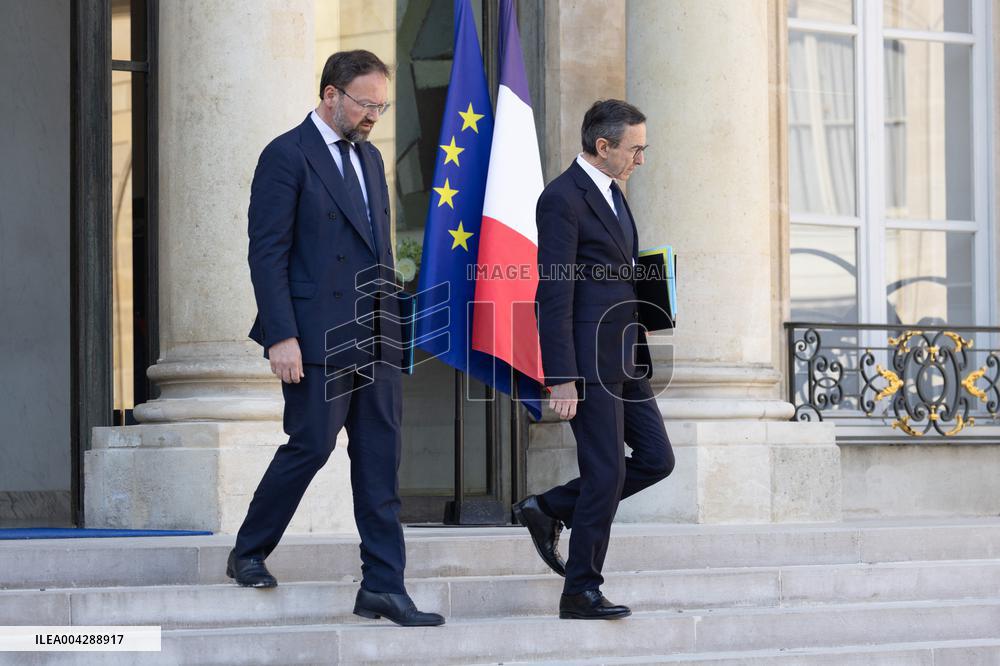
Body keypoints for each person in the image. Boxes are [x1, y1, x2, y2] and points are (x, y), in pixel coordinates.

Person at [228, 50, 444, 627]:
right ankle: (249, 550)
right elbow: (267, 253)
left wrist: (395, 330)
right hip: (315, 335)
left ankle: (384, 585)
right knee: (311, 448)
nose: (374, 114)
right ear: (331, 94)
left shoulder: (371, 159)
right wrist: (281, 337)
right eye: (365, 103)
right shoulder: (285, 154)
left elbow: (378, 248)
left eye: (381, 104)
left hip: (374, 335)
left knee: (380, 461)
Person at [514, 99, 675, 620]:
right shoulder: (562, 198)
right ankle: (580, 590)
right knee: (604, 473)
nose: (641, 159)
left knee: (656, 459)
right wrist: (560, 376)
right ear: (602, 146)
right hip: (587, 363)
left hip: (625, 355)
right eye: (635, 149)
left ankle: (550, 507)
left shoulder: (612, 192)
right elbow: (554, 293)